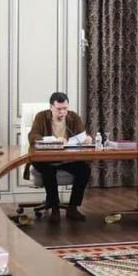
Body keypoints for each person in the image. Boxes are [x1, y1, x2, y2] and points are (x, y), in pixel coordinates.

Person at [27, 92, 92, 222]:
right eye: (58, 109)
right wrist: (54, 140)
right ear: (51, 107)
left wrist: (87, 139)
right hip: (45, 159)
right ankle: (54, 208)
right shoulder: (41, 117)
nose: (62, 112)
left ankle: (72, 208)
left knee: (84, 170)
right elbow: (33, 137)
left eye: (65, 108)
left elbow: (82, 135)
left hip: (67, 159)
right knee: (49, 171)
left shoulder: (73, 117)